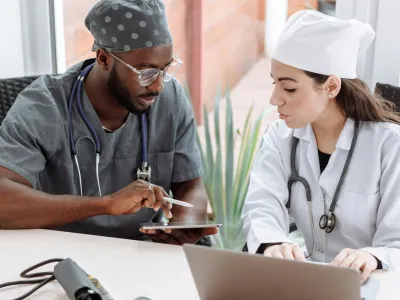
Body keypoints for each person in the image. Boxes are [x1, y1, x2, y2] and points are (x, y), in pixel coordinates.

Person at [0, 0, 217, 245]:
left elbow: (191, 186)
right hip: (60, 251)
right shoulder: (44, 106)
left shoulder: (171, 100)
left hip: (142, 251)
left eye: (165, 70)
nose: (157, 86)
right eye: (146, 73)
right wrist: (106, 204)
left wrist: (182, 228)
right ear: (103, 59)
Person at [241, 10, 400, 283]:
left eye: (289, 89)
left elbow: (396, 241)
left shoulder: (390, 145)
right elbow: (261, 206)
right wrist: (273, 244)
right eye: (274, 83)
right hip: (308, 282)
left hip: (373, 284)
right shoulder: (279, 138)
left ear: (331, 86)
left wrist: (372, 256)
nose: (274, 99)